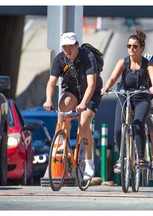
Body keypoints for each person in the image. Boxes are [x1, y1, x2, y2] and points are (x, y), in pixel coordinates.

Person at [43, 32, 103, 180]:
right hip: (73, 90)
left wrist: (83, 104)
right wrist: (48, 100)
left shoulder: (87, 57)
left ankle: (89, 163)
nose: (67, 50)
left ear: (77, 45)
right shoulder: (60, 59)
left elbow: (91, 84)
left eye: (70, 46)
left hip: (92, 92)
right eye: (64, 47)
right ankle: (63, 140)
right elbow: (51, 82)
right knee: (63, 106)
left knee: (83, 122)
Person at [101, 28, 153, 174]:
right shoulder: (123, 62)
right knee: (118, 130)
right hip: (124, 96)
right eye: (129, 46)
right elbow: (112, 78)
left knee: (138, 123)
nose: (131, 49)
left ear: (141, 48)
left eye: (135, 46)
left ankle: (140, 157)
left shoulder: (148, 65)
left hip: (141, 98)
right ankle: (121, 158)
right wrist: (105, 88)